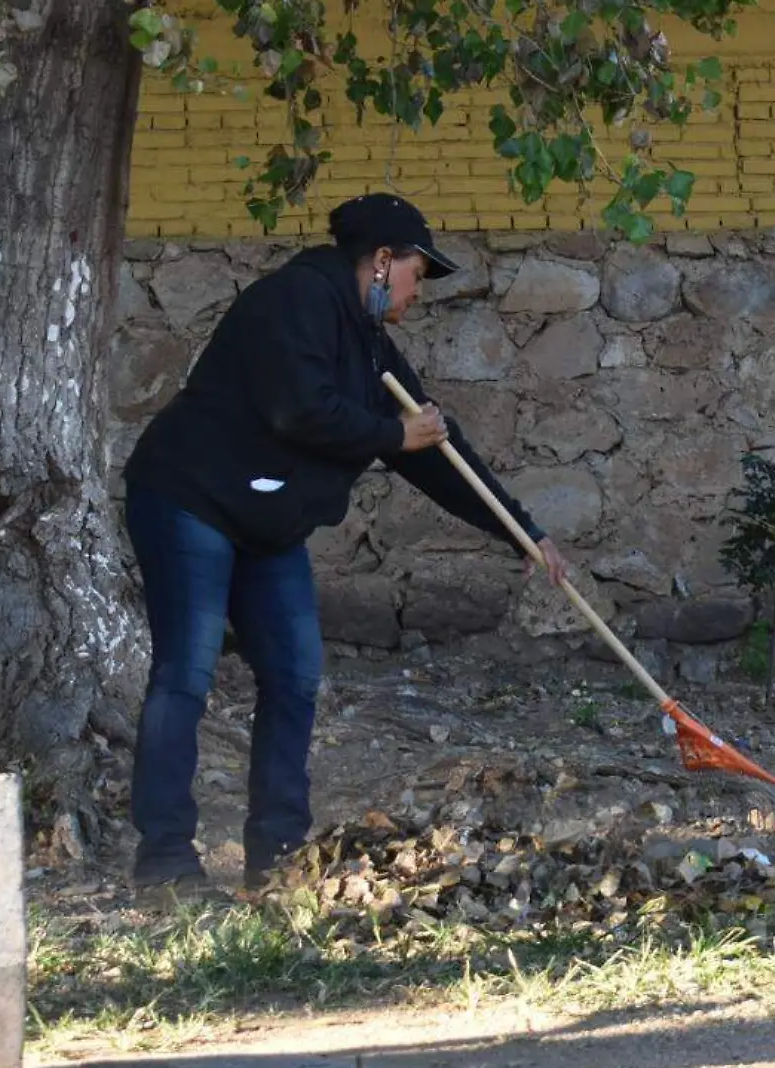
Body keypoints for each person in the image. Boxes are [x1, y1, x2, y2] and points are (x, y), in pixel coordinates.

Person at [119, 192, 570, 891]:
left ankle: (276, 856)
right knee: (185, 673)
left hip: (269, 527)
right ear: (382, 261)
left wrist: (522, 531)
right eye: (419, 274)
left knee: (295, 676)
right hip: (189, 501)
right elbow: (298, 409)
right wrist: (395, 433)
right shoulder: (293, 299)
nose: (419, 293)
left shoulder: (371, 346)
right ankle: (166, 858)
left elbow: (435, 451)